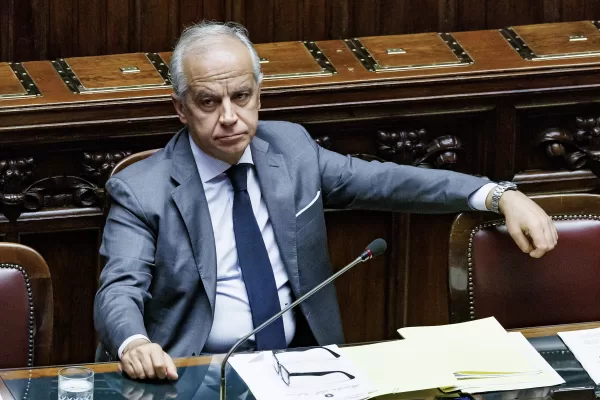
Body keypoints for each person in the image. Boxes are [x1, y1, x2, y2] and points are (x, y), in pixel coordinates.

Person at [94, 21, 557, 381]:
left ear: (259, 93)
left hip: (301, 369)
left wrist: (496, 194)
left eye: (241, 96)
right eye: (209, 102)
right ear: (180, 106)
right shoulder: (142, 189)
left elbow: (388, 182)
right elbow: (119, 286)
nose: (230, 118)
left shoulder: (291, 150)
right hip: (196, 373)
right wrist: (135, 342)